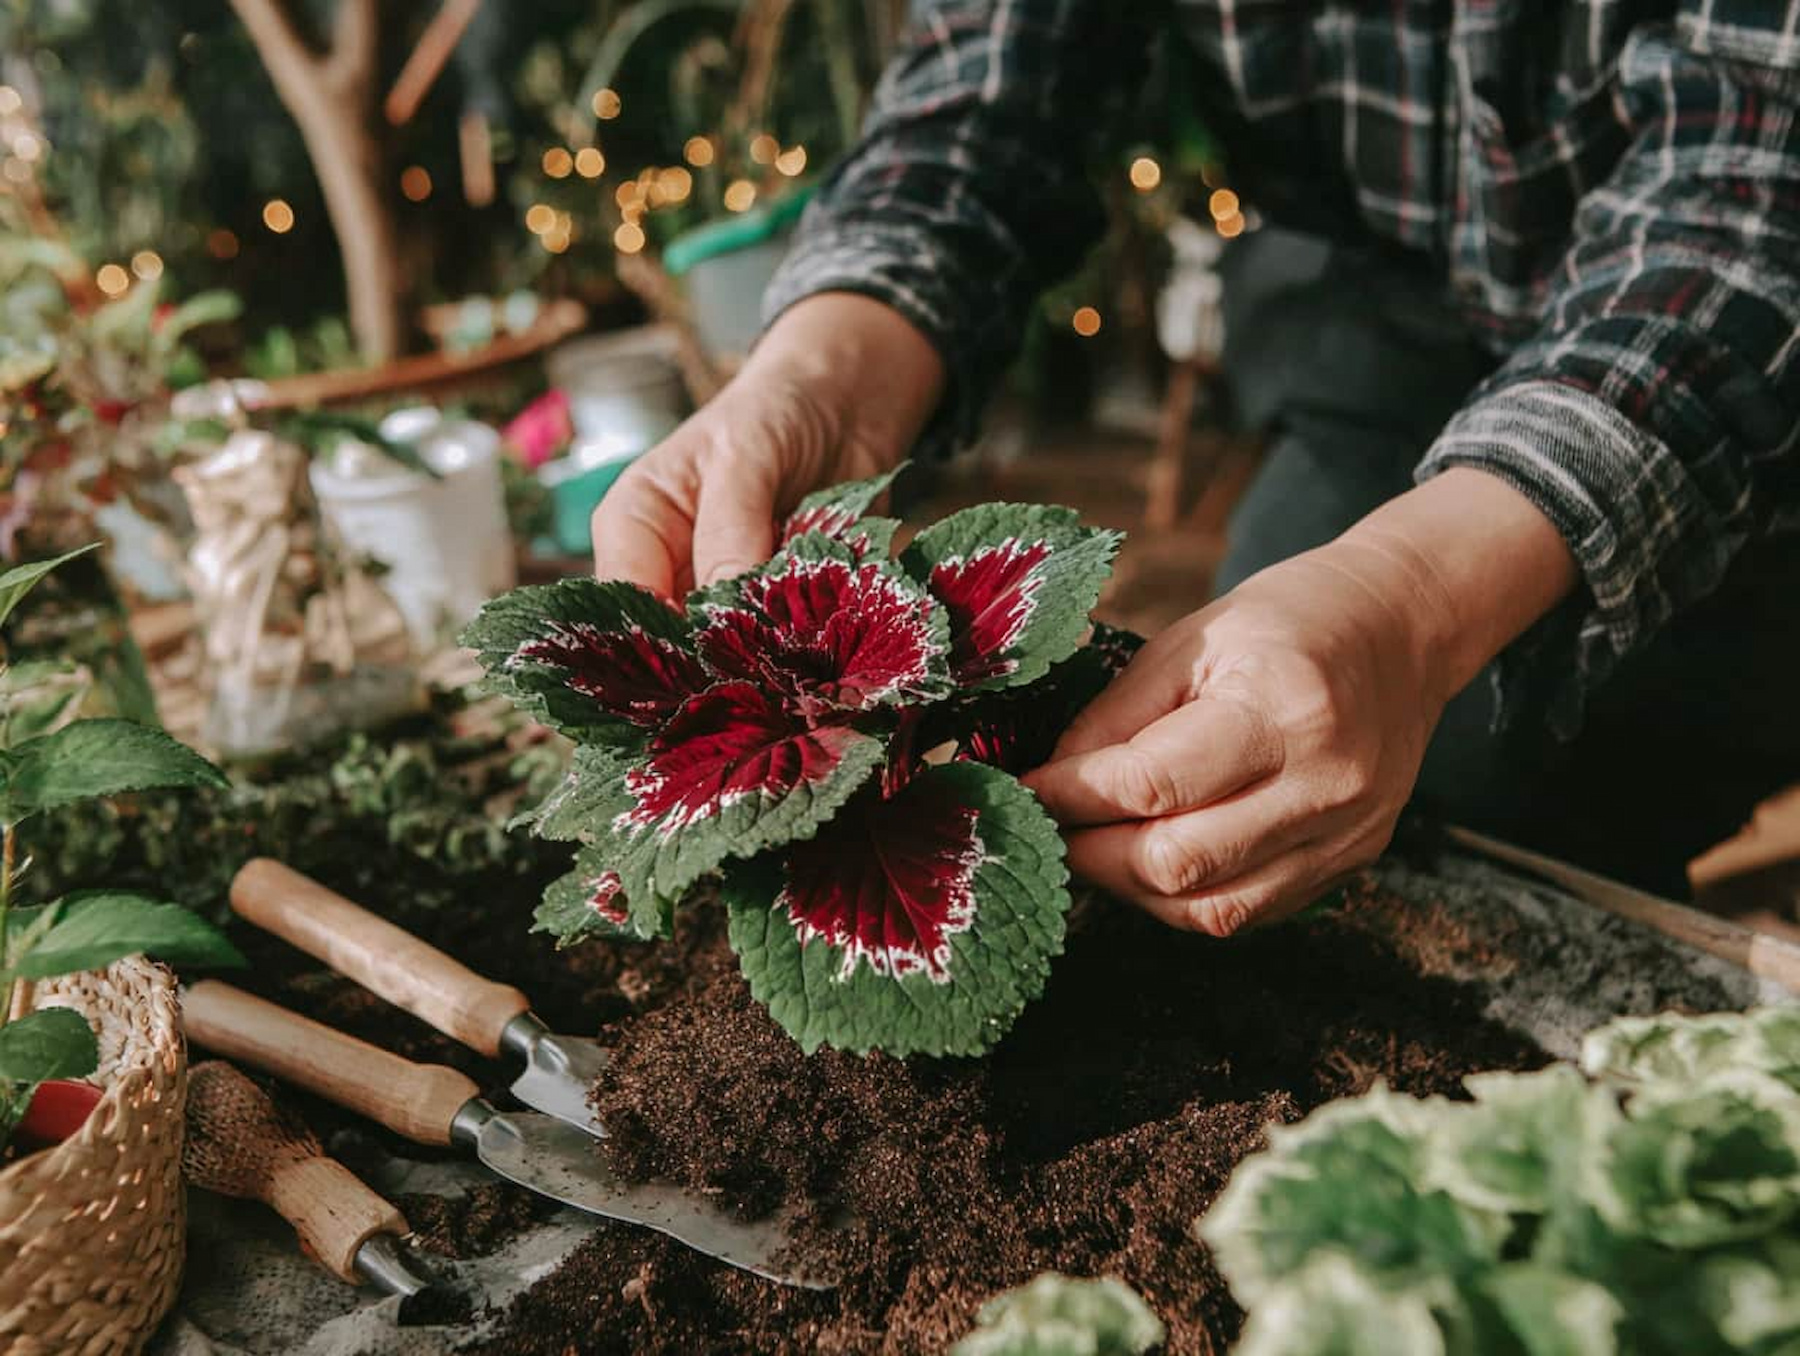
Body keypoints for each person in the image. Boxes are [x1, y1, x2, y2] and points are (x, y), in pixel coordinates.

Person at [592, 2, 1800, 928]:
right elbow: (987, 95)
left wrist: (1414, 599)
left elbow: (1753, 196)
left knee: (1565, 806)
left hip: (1731, 358)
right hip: (1374, 321)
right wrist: (817, 378)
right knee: (1261, 809)